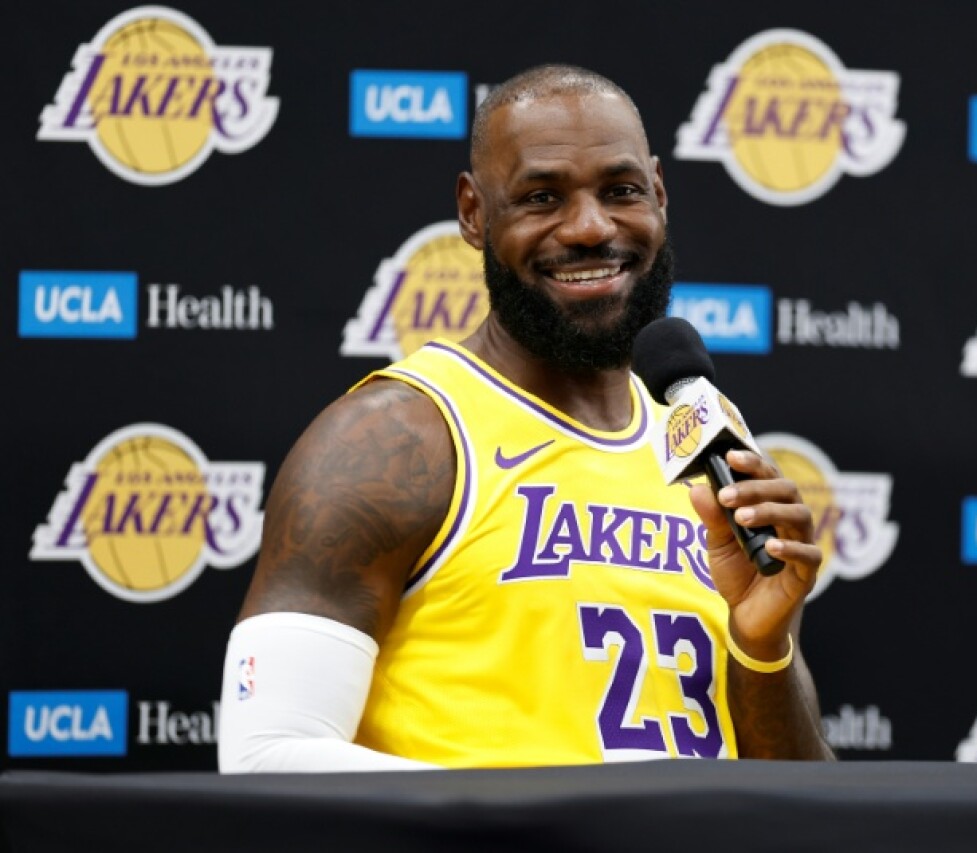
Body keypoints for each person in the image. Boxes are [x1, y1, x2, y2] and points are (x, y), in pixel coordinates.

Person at [218, 64, 835, 771]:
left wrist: (762, 649)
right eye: (543, 197)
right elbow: (265, 758)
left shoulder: (702, 444)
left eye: (621, 190)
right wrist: (554, 824)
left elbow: (800, 795)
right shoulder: (394, 439)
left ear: (660, 195)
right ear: (474, 213)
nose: (590, 226)